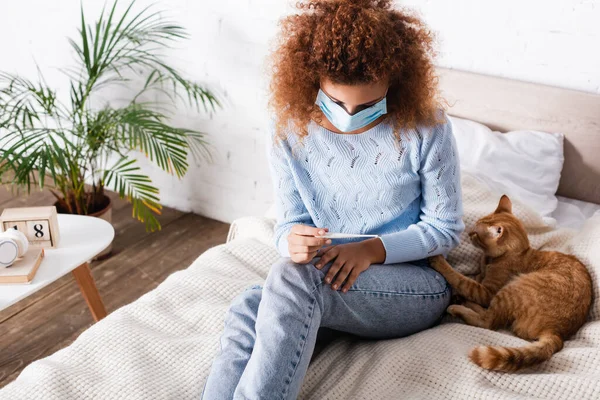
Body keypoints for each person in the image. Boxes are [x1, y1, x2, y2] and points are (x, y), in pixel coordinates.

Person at [201, 0, 464, 398]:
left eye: (369, 106)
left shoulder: (426, 128)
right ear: (313, 81)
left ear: (394, 83)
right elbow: (290, 222)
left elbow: (445, 229)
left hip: (414, 284)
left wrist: (371, 250)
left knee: (293, 278)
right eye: (337, 103)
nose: (351, 116)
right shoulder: (289, 128)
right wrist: (291, 241)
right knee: (247, 307)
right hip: (330, 279)